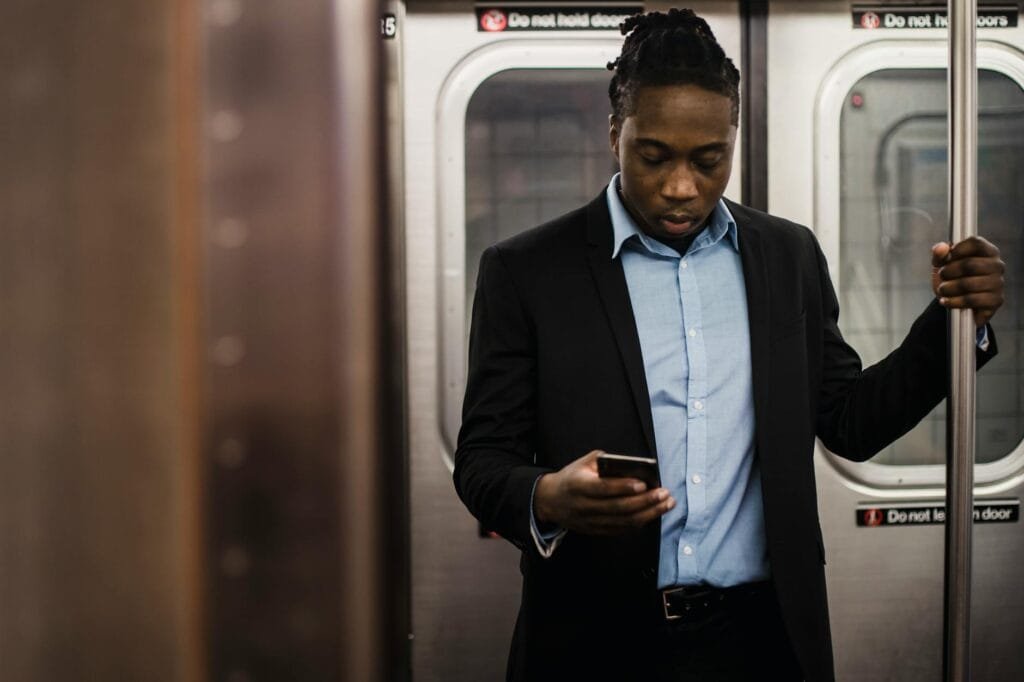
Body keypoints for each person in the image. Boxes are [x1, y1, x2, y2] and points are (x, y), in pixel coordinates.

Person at [453, 8, 1005, 682]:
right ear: (615, 134)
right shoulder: (529, 270)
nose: (681, 186)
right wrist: (546, 497)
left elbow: (849, 421)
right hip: (594, 641)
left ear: (732, 141)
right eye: (653, 156)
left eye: (709, 159)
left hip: (761, 641)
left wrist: (955, 322)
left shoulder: (786, 255)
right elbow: (482, 461)